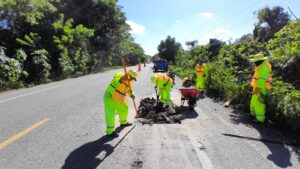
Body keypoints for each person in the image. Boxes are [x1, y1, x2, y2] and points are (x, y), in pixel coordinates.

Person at [104, 70, 137, 137]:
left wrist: (132, 95)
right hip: (111, 96)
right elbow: (117, 81)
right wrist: (123, 78)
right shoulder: (120, 75)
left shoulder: (129, 82)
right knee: (110, 113)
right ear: (129, 76)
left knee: (124, 108)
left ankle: (123, 122)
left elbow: (129, 90)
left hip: (120, 97)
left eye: (133, 79)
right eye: (132, 78)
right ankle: (110, 131)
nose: (132, 80)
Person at [250, 54, 272, 123]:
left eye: (255, 61)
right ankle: (253, 114)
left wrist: (258, 88)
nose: (254, 63)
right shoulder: (260, 66)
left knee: (259, 103)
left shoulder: (264, 68)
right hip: (257, 87)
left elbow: (262, 80)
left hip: (260, 88)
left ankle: (260, 119)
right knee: (254, 101)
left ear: (260, 61)